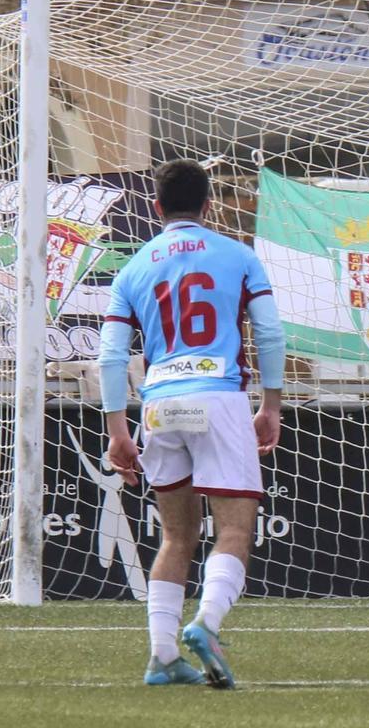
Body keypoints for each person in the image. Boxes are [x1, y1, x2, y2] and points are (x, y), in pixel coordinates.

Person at [97, 159, 286, 689]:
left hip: (159, 405)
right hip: (219, 397)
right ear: (209, 205)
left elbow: (111, 357)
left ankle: (161, 658)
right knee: (232, 530)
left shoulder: (133, 268)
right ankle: (205, 625)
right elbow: (269, 334)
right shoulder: (238, 255)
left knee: (176, 536)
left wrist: (117, 430)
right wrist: (270, 405)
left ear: (156, 208)